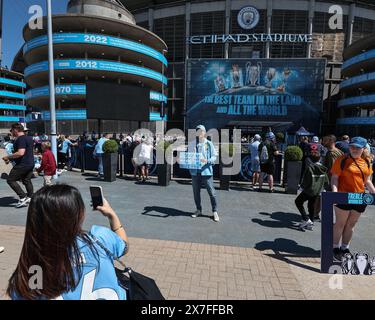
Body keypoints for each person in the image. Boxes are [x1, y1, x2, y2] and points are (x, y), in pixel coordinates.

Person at [7, 184, 129, 300]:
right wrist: (111, 215)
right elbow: (124, 246)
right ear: (79, 214)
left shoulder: (35, 266)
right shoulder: (100, 238)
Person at [331, 137, 375, 261]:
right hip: (343, 196)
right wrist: (335, 193)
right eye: (352, 147)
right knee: (341, 223)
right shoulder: (342, 160)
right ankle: (335, 247)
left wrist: (374, 193)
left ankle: (345, 248)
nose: (354, 149)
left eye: (357, 147)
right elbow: (335, 178)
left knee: (351, 224)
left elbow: (367, 181)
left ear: (363, 148)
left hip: (360, 197)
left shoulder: (367, 161)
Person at [189, 125, 219, 222]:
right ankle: (198, 210)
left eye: (201, 131)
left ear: (204, 133)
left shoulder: (209, 144)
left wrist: (207, 160)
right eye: (198, 131)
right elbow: (188, 157)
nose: (199, 133)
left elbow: (215, 156)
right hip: (195, 172)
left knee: (212, 192)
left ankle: (215, 211)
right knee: (196, 192)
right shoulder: (192, 144)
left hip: (206, 172)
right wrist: (191, 156)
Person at [2, 123, 34, 208]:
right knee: (27, 180)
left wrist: (7, 157)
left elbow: (20, 153)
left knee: (10, 180)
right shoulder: (29, 138)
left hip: (23, 164)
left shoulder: (20, 139)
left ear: (16, 130)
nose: (11, 132)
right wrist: (11, 158)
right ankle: (30, 197)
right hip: (30, 163)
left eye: (11, 130)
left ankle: (23, 197)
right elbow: (26, 152)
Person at [295, 151, 329, 230]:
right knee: (311, 206)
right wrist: (322, 189)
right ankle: (311, 222)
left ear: (310, 159)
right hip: (318, 191)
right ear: (320, 159)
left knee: (298, 202)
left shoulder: (310, 168)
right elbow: (326, 181)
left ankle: (306, 219)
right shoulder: (323, 169)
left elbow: (306, 180)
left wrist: (301, 187)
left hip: (309, 190)